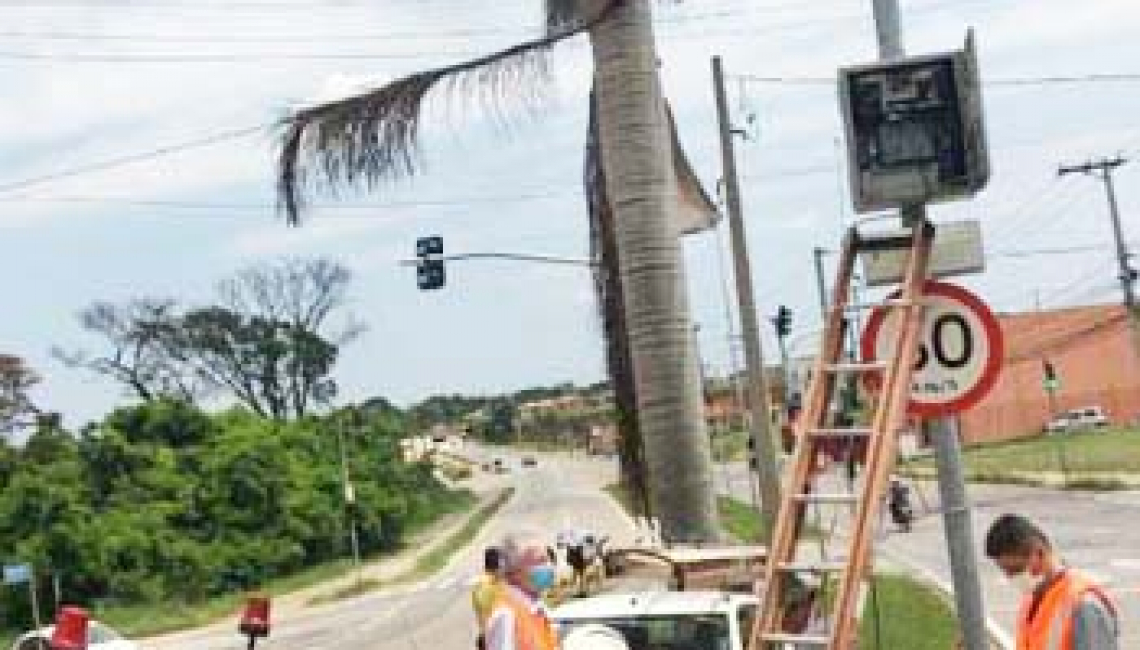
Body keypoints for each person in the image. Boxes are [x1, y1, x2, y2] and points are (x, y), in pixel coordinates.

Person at [984, 514, 1118, 650]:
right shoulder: (1032, 600)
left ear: (1039, 553)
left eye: (1015, 569)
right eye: (1005, 571)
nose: (1009, 577)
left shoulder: (1083, 606)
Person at [485, 531, 560, 650]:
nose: (549, 566)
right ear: (515, 570)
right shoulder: (506, 616)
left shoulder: (535, 605)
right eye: (541, 561)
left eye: (548, 560)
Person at [472, 547, 504, 650]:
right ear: (497, 565)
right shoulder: (487, 585)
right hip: (494, 638)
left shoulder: (494, 582)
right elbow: (486, 615)